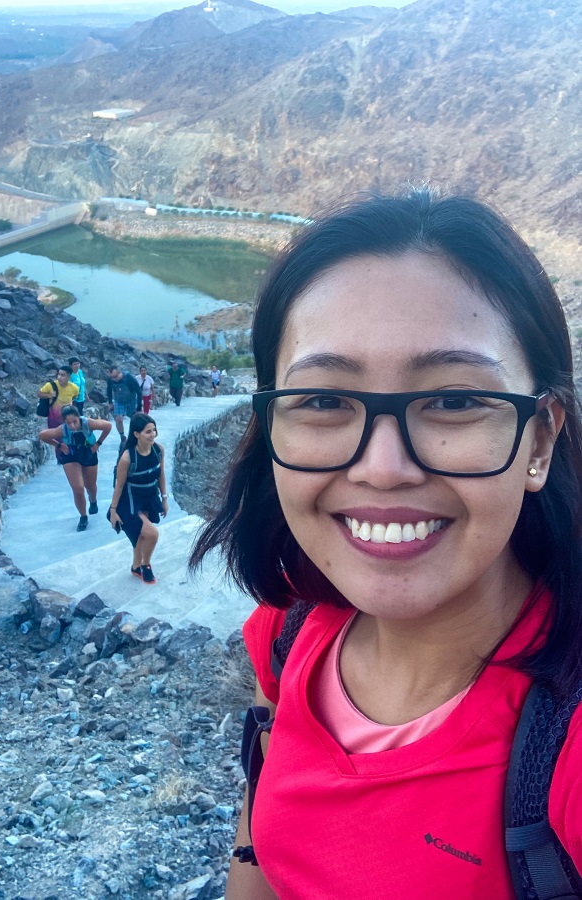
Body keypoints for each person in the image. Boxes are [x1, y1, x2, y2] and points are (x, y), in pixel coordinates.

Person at [190, 188, 582, 899]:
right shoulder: (288, 635)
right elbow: (257, 851)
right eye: (324, 400)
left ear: (540, 439)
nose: (383, 467)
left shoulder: (566, 754)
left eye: (456, 400)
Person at [108, 413, 169, 584]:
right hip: (130, 501)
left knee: (141, 537)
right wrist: (113, 511)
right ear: (136, 434)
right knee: (152, 534)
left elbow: (161, 475)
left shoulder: (158, 450)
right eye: (148, 432)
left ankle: (136, 567)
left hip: (149, 498)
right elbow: (119, 485)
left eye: (154, 430)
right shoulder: (127, 458)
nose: (153, 435)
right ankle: (146, 565)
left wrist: (164, 498)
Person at [39, 405, 112, 531]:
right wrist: (59, 445)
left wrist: (98, 443)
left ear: (79, 418)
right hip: (71, 454)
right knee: (78, 488)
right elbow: (43, 435)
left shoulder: (89, 423)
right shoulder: (62, 430)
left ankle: (93, 500)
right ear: (64, 422)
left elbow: (107, 426)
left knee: (90, 485)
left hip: (88, 452)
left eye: (74, 422)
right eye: (68, 423)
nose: (72, 426)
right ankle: (83, 516)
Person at [106, 365, 143, 447]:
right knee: (118, 419)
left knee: (134, 419)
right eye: (112, 377)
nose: (114, 379)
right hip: (119, 401)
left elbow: (138, 391)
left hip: (131, 400)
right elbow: (109, 390)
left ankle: (135, 436)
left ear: (120, 373)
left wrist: (139, 407)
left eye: (116, 377)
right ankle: (122, 436)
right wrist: (110, 402)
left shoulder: (129, 378)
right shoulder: (110, 380)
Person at [37, 364, 80, 429]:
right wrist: (49, 395)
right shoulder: (50, 385)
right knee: (54, 436)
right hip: (53, 419)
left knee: (67, 436)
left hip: (67, 419)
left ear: (69, 377)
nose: (59, 377)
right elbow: (39, 394)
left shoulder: (74, 388)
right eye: (59, 374)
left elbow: (74, 397)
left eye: (62, 375)